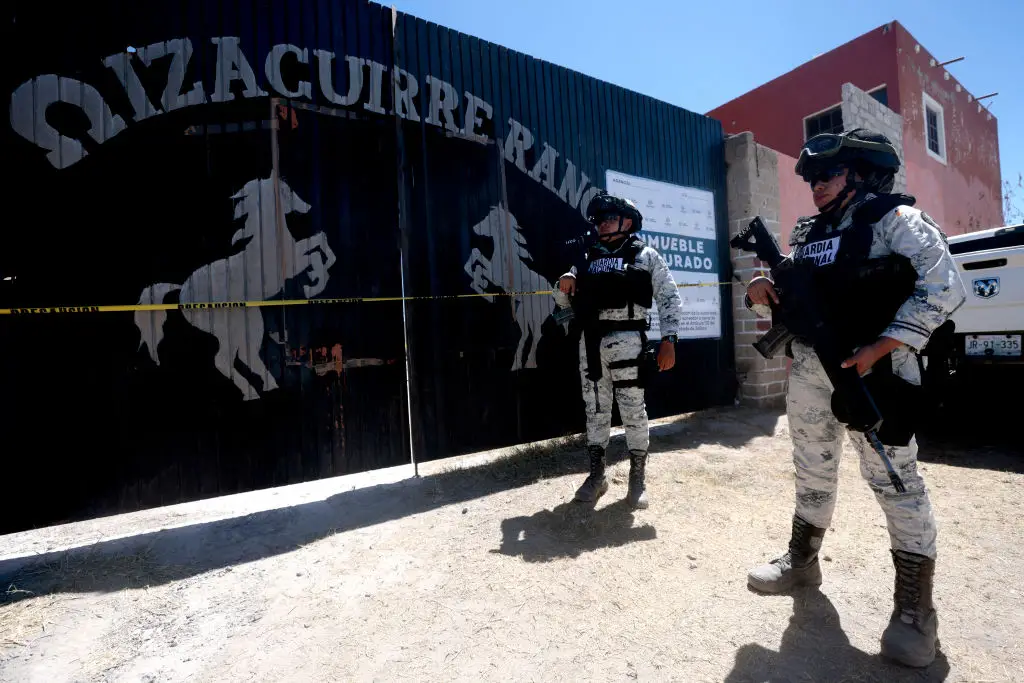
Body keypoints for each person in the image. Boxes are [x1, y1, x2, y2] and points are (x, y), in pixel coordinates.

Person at [743, 128, 966, 668]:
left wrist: (884, 345)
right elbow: (797, 300)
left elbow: (945, 286)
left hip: (878, 369)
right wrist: (761, 291)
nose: (815, 185)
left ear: (863, 173)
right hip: (813, 371)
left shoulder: (898, 221)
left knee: (895, 480)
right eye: (811, 177)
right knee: (812, 469)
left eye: (828, 174)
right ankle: (802, 560)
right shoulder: (810, 232)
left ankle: (915, 611)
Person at [553, 191, 684, 509]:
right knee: (595, 412)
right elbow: (562, 305)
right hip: (592, 344)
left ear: (628, 221)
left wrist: (670, 340)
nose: (601, 224)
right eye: (598, 220)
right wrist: (564, 285)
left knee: (633, 412)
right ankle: (597, 476)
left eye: (608, 218)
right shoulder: (584, 259)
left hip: (629, 342)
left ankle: (637, 479)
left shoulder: (645, 256)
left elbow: (669, 297)